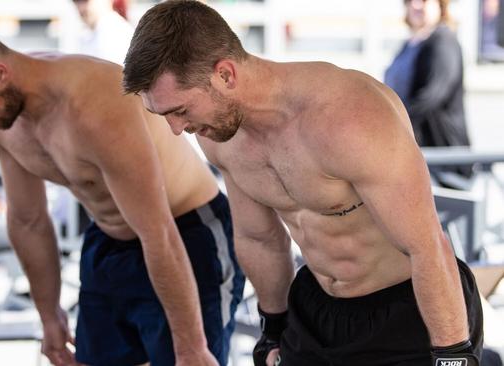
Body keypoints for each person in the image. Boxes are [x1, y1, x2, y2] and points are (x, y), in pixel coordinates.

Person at [122, 1, 484, 365]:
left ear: (225, 75)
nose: (176, 129)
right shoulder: (218, 133)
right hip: (316, 305)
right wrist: (273, 326)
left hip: (411, 310)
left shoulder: (348, 117)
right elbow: (259, 238)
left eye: (180, 111)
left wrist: (452, 353)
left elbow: (426, 246)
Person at [0, 15, 244, 366]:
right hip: (108, 239)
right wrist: (49, 315)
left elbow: (158, 232)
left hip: (186, 233)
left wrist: (191, 347)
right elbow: (28, 220)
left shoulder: (94, 102)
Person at [385, 0, 473, 185]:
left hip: (442, 156)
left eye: (425, 0)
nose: (417, 5)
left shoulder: (444, 41)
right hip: (412, 150)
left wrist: (393, 122)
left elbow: (432, 95)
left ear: (440, 5)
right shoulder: (409, 44)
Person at [66, 0, 134, 65]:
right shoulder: (86, 35)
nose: (80, 8)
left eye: (85, 0)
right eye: (76, 1)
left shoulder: (118, 33)